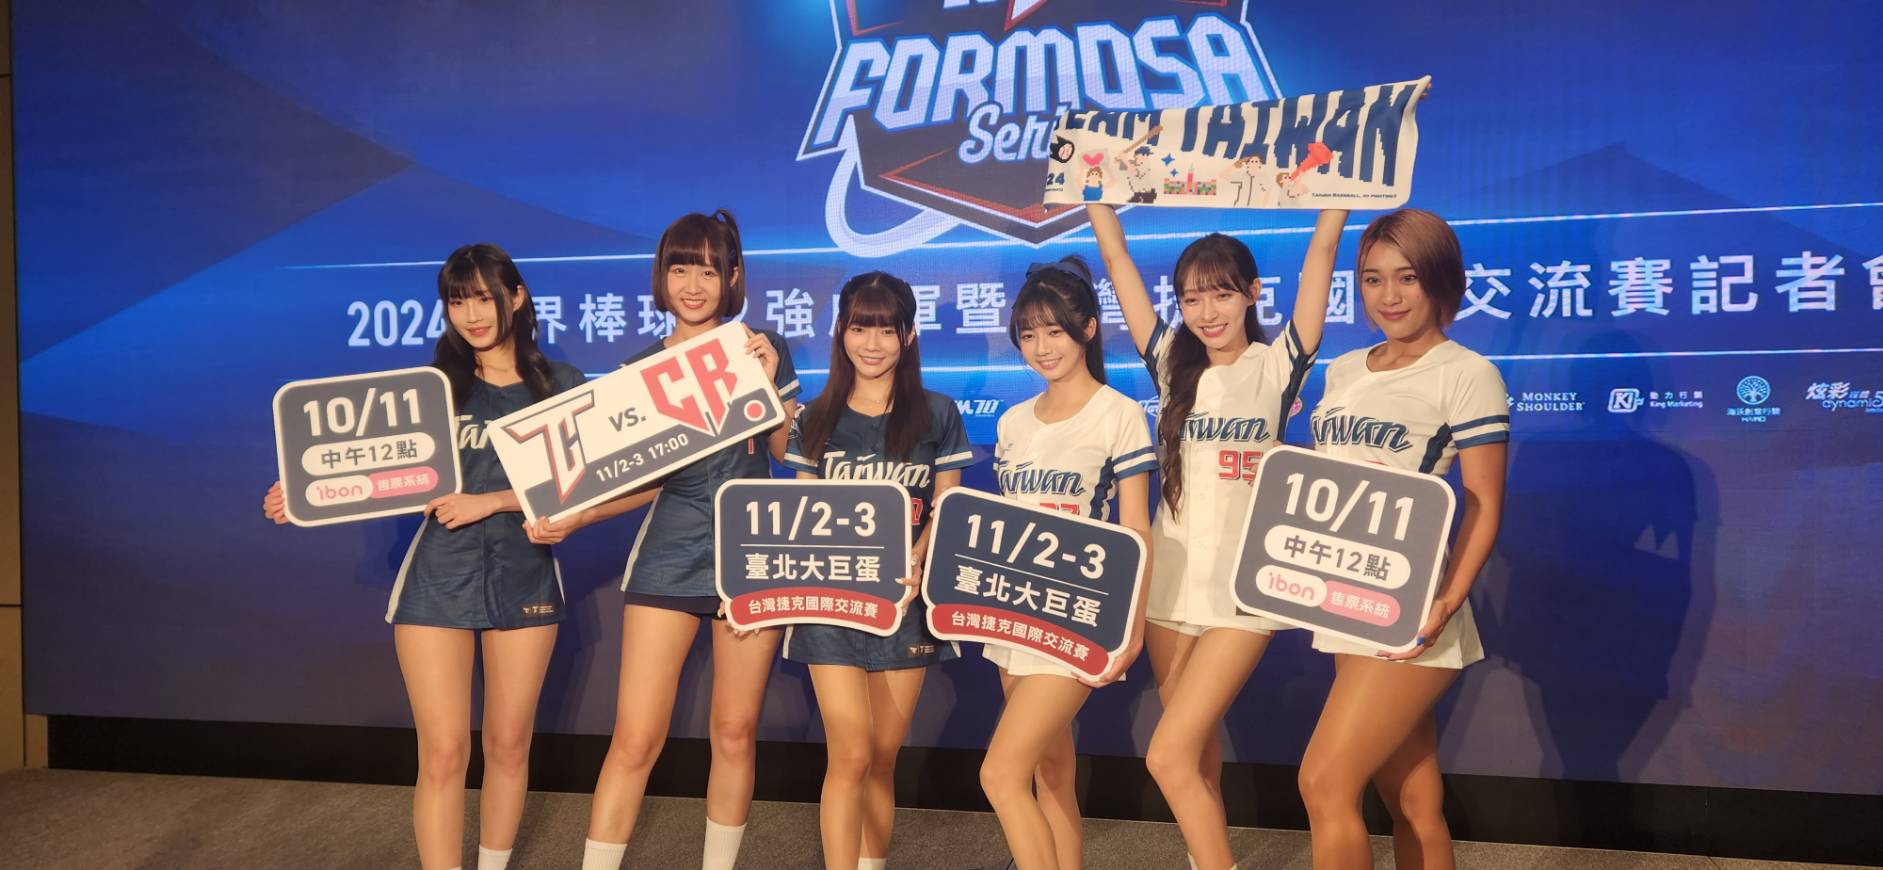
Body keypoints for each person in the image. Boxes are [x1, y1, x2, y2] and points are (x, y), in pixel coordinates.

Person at [263, 243, 584, 870]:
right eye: (458, 301)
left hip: (525, 574)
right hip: (438, 579)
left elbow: (580, 485)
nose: (472, 314)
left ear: (517, 297)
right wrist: (302, 494)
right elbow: (371, 468)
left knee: (508, 746)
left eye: (484, 297)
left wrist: (491, 501)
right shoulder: (429, 390)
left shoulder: (562, 386)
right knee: (442, 754)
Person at [530, 210, 801, 870]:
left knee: (734, 731)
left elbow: (784, 454)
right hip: (668, 557)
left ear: (732, 277)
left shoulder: (758, 347)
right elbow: (646, 482)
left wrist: (772, 385)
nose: (693, 285)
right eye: (681, 269)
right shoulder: (639, 371)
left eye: (708, 270)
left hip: (750, 555)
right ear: (662, 277)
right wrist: (578, 517)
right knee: (635, 737)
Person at [1086, 204, 1346, 870]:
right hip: (1169, 586)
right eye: (1191, 298)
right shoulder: (1171, 363)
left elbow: (1321, 253)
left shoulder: (1276, 364)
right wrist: (1095, 193)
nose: (1207, 311)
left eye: (1222, 294)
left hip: (1243, 591)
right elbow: (1117, 263)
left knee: (1166, 755)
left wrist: (1336, 199)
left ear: (1252, 293)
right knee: (1196, 756)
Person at [1298, 209, 1509, 870]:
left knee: (1324, 783)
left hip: (1409, 609)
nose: (1388, 296)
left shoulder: (1465, 372)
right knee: (1411, 799)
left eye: (1407, 277)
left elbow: (1483, 505)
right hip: (1343, 599)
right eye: (1372, 279)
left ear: (1440, 279)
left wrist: (1445, 603)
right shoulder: (1344, 369)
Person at [782, 271, 977, 870]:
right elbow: (798, 518)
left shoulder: (938, 414)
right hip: (829, 606)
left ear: (908, 335)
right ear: (840, 332)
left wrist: (919, 555)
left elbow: (948, 506)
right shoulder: (815, 418)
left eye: (887, 330)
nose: (872, 343)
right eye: (860, 328)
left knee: (883, 758)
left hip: (905, 605)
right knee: (850, 754)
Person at [977, 257, 1157, 870]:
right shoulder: (1012, 422)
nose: (1042, 347)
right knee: (1050, 771)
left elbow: (1135, 530)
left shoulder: (1119, 413)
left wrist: (1132, 628)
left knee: (1000, 774)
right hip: (1013, 616)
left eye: (1054, 330)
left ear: (1087, 329)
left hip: (1077, 616)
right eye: (1028, 334)